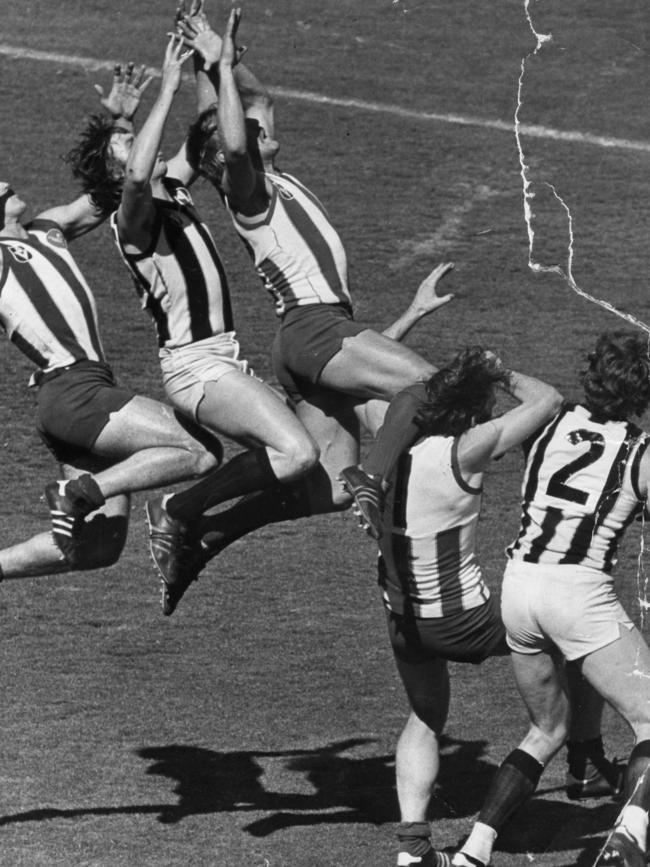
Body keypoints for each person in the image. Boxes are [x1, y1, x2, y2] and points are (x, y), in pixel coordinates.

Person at [147, 5, 454, 610]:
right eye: (252, 131)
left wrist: (219, 58)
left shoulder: (269, 173)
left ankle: (202, 533)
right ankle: (378, 475)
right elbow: (232, 138)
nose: (262, 125)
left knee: (328, 485)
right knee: (431, 386)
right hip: (315, 328)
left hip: (311, 337)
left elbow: (249, 103)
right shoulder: (249, 190)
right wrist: (221, 75)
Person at [81, 33, 319, 613]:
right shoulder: (131, 217)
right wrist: (166, 85)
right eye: (128, 145)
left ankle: (197, 535)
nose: (141, 147)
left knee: (306, 476)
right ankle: (179, 511)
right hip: (196, 368)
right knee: (298, 455)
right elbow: (135, 178)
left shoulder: (176, 191)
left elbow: (208, 129)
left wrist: (210, 62)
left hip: (219, 362)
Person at [367, 347, 623, 867]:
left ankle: (413, 850)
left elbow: (374, 398)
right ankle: (584, 760)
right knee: (572, 625)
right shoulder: (463, 449)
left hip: (404, 622)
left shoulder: (389, 448)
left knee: (425, 717)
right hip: (463, 621)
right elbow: (547, 402)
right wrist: (497, 370)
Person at [431, 331, 650, 867]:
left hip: (520, 587)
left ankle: (474, 850)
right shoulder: (640, 451)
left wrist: (499, 370)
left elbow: (528, 390)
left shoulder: (549, 417)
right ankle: (627, 840)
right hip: (578, 594)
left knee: (545, 728)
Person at [0, 172, 222, 581]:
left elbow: (115, 191)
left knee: (96, 548)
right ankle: (75, 495)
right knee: (200, 450)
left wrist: (126, 138)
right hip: (74, 393)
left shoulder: (48, 227)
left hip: (80, 396)